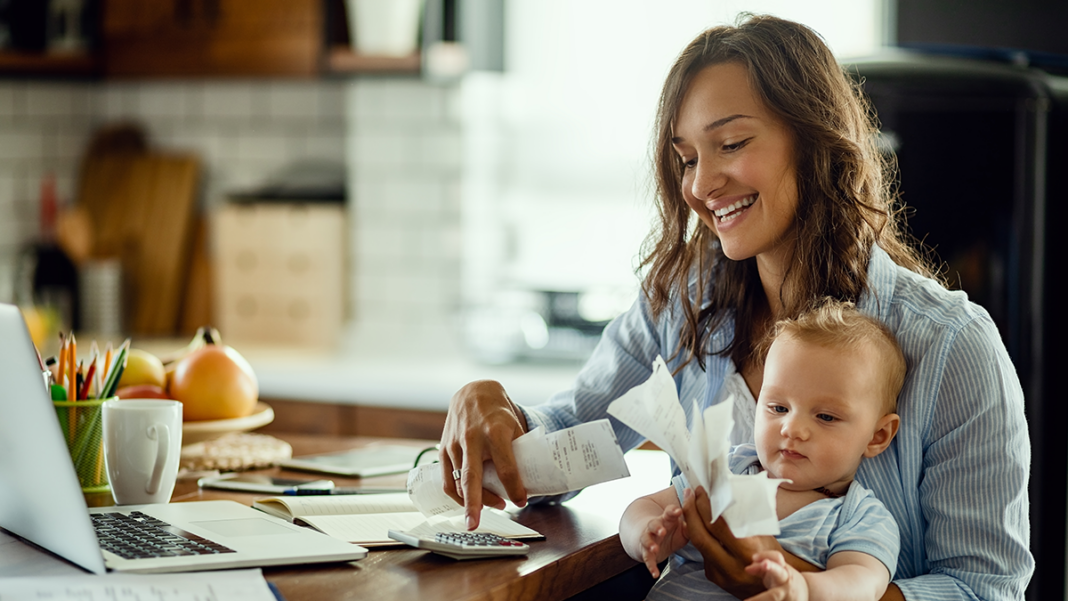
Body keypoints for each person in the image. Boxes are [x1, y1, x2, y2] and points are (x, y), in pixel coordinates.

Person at [439, 14, 1033, 601]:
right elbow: (570, 444)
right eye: (688, 157)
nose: (699, 186)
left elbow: (986, 588)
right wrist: (502, 419)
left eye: (731, 144)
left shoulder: (952, 345)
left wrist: (794, 586)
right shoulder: (678, 306)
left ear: (813, 139)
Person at [622, 299, 904, 601]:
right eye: (778, 407)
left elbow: (862, 585)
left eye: (826, 417)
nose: (791, 429)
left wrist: (804, 588)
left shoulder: (858, 517)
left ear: (877, 436)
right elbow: (643, 506)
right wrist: (648, 533)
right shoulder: (729, 469)